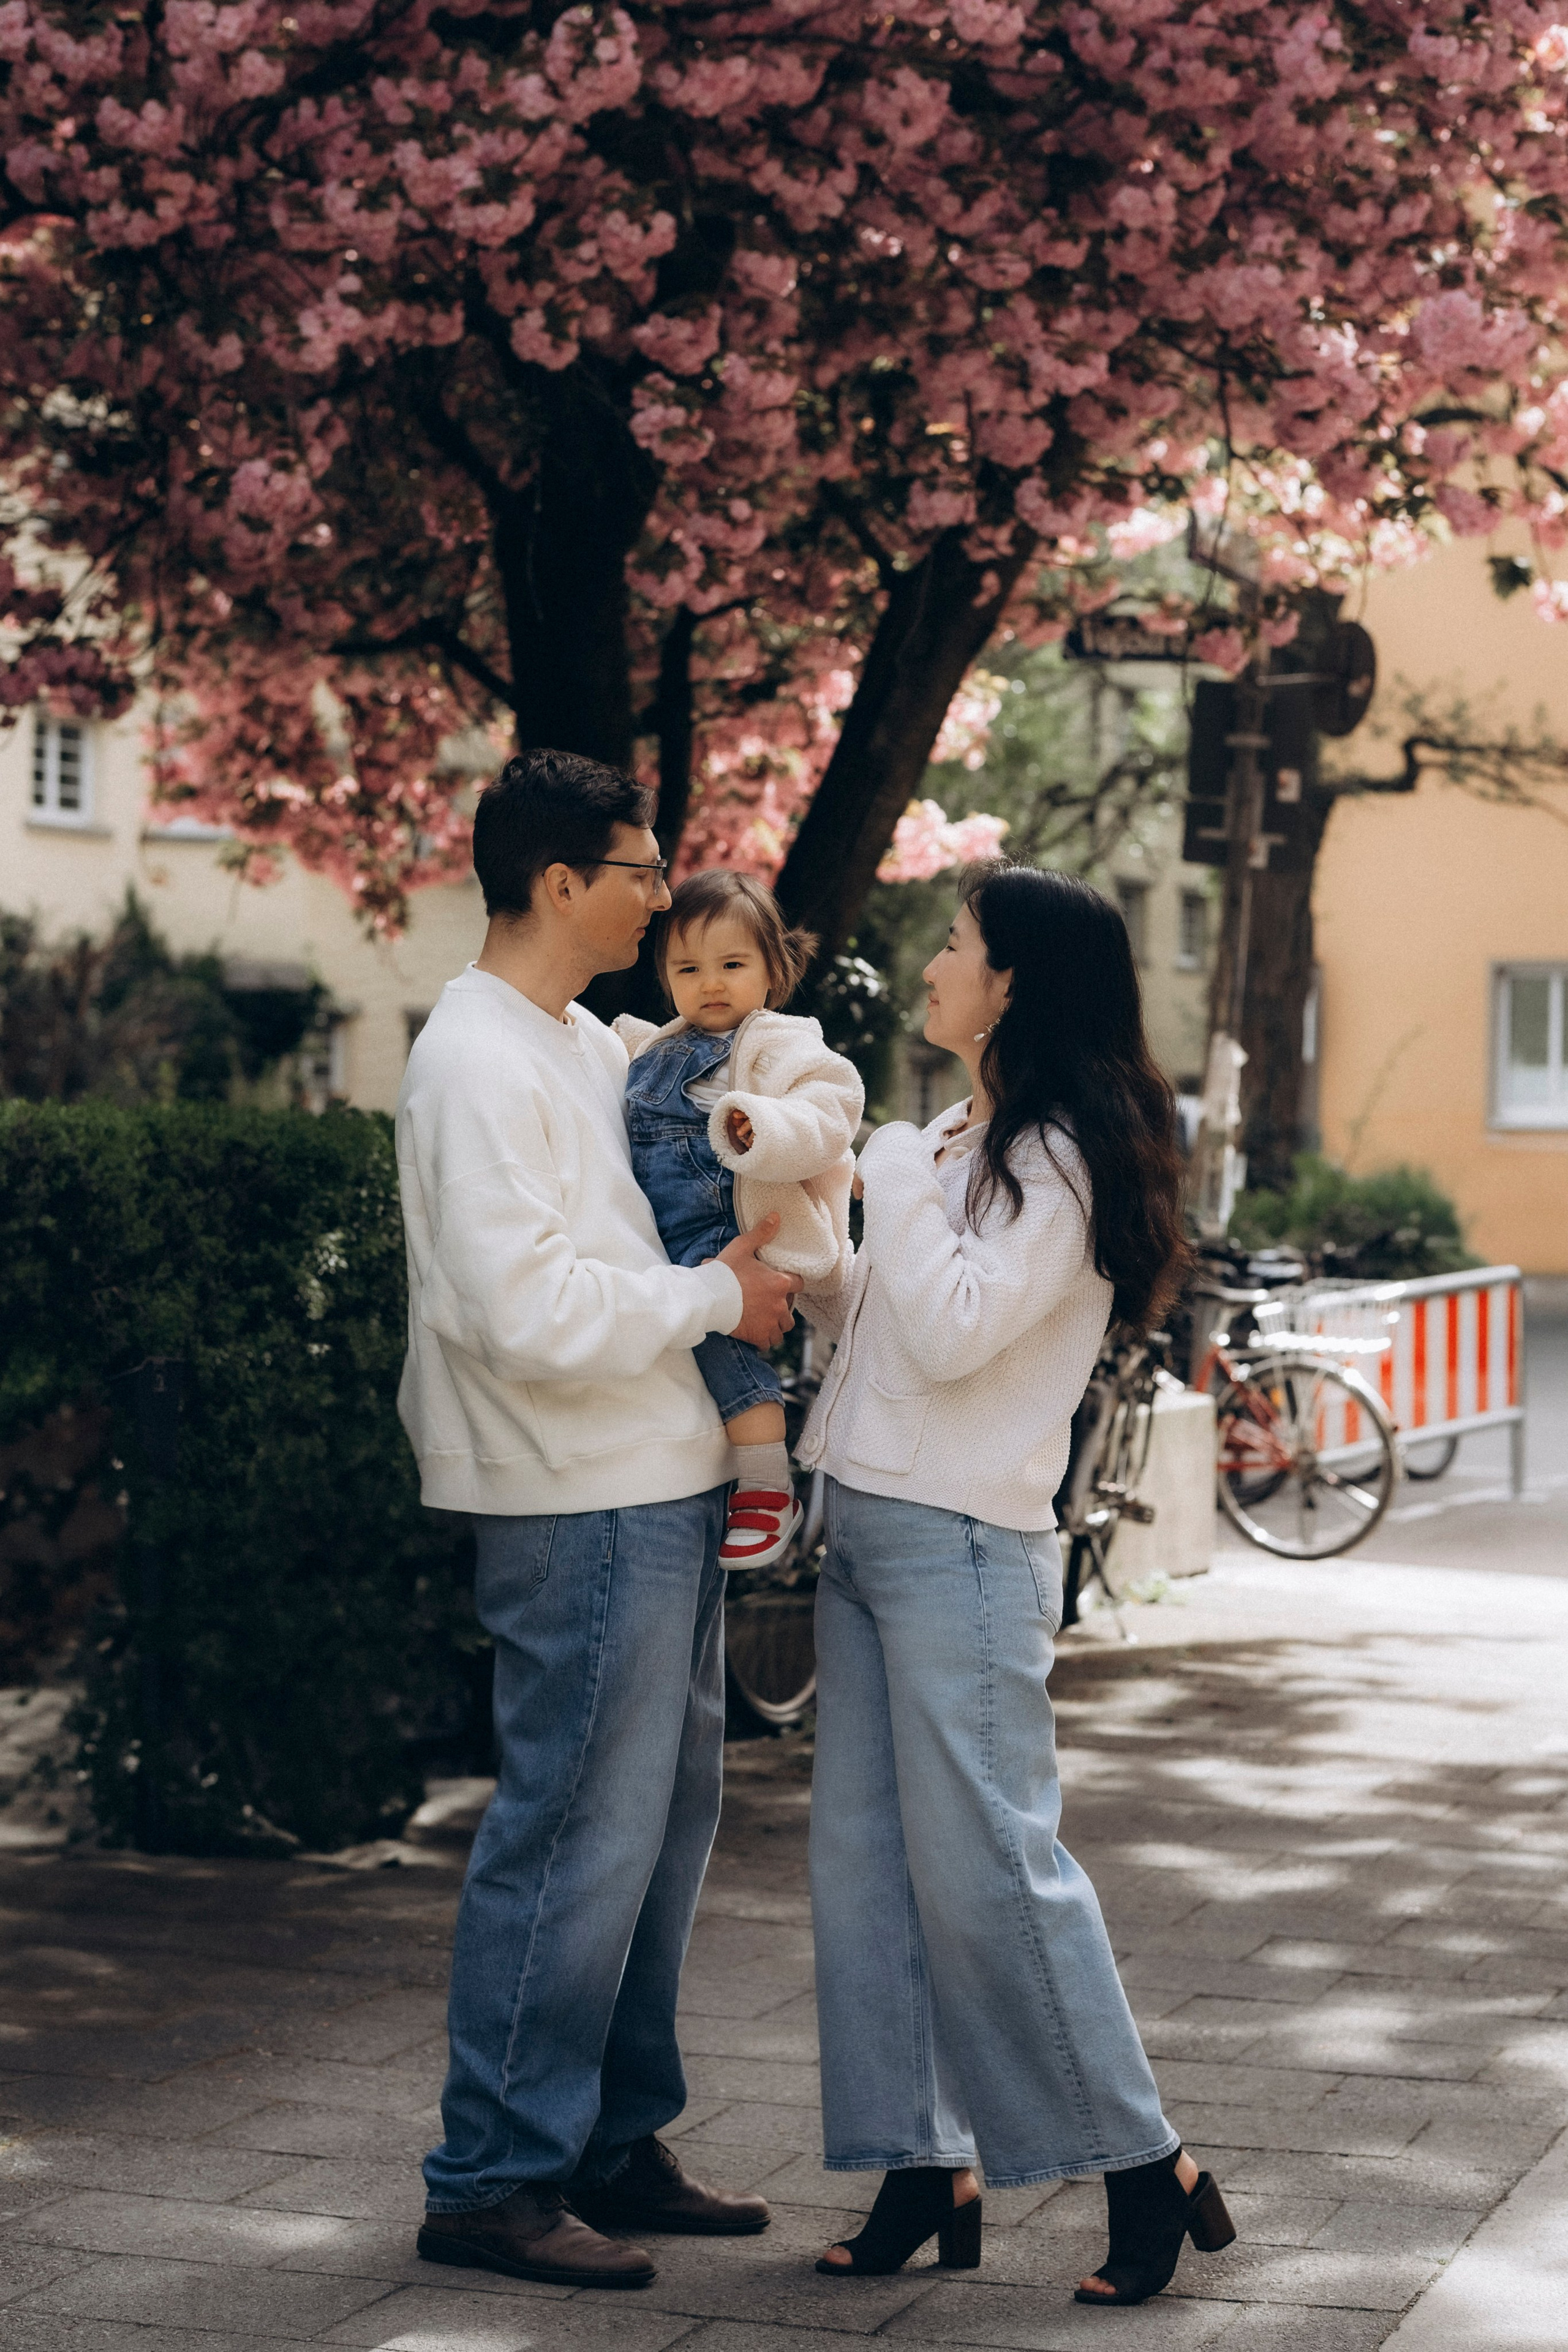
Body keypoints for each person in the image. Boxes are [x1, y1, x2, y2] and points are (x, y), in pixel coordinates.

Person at [796, 862, 1237, 2307]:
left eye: (955, 944)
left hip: (962, 1549)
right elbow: (895, 1326)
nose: (931, 961)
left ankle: (1141, 2162)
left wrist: (887, 1172)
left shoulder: (1055, 1157)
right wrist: (820, 1276)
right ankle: (924, 2163)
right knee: (866, 1866)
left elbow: (958, 1326)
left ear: (1011, 988)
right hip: (862, 1524)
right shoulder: (950, 1137)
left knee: (995, 1867)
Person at [395, 749, 799, 2291]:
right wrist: (718, 1295)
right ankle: (493, 2176)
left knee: (658, 1833)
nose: (659, 891)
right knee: (569, 1833)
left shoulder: (574, 1039)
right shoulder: (477, 1056)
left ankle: (610, 2142)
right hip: (575, 1502)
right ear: (560, 882)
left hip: (659, 1480)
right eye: (639, 869)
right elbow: (517, 1310)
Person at [614, 869, 864, 1570]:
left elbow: (832, 1106)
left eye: (732, 964)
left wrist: (762, 1125)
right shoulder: (650, 1046)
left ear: (771, 970)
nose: (710, 983)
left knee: (724, 1349)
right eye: (687, 968)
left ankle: (766, 1488)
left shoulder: (778, 1043)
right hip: (661, 1240)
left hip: (737, 1231)